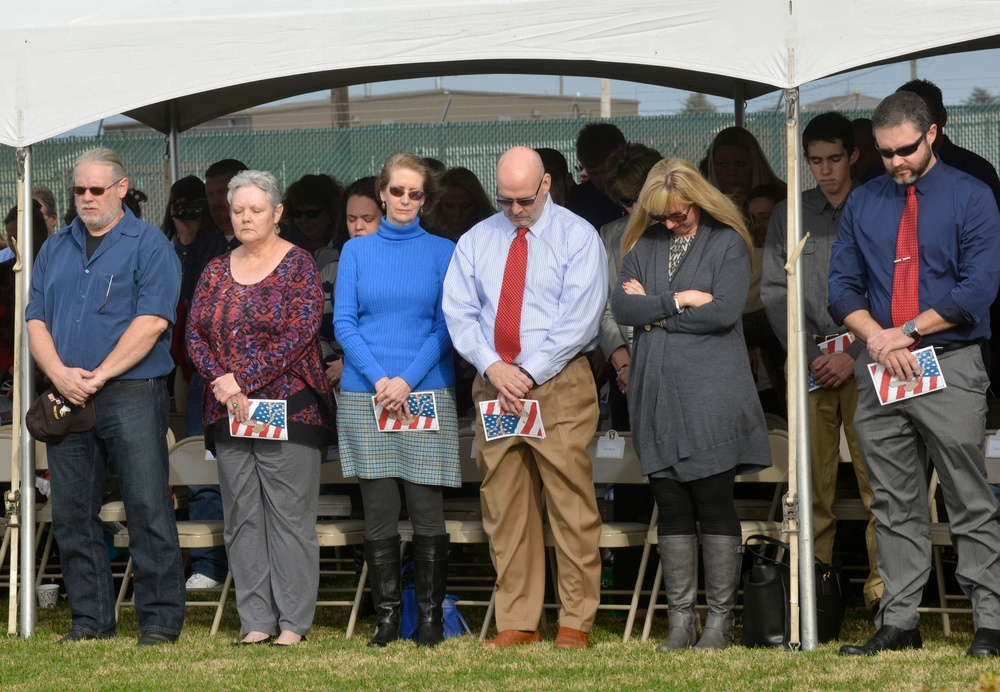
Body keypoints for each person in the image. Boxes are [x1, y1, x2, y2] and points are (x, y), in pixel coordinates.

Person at [829, 91, 1000, 658]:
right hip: (881, 367)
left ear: (931, 136)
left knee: (967, 498)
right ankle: (899, 621)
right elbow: (841, 290)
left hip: (948, 362)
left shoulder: (973, 196)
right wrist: (877, 337)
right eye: (883, 153)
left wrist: (907, 331)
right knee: (892, 501)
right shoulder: (863, 202)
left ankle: (990, 623)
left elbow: (977, 290)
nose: (895, 161)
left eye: (904, 150)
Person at [443, 146, 608, 650]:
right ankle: (518, 618)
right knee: (504, 503)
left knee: (570, 504)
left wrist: (527, 371)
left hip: (557, 382)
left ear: (547, 185)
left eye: (523, 200)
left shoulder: (578, 236)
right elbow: (459, 311)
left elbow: (580, 318)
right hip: (495, 385)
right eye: (505, 199)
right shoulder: (476, 240)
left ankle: (575, 622)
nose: (514, 209)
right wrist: (494, 367)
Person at [610, 157, 770, 651]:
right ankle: (681, 621)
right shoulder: (641, 245)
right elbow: (623, 308)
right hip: (655, 393)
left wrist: (655, 312)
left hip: (712, 394)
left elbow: (724, 311)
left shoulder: (725, 242)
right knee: (671, 505)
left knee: (714, 503)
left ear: (698, 200)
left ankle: (719, 623)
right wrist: (680, 300)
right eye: (660, 217)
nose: (670, 224)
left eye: (678, 214)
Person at [26, 147, 185, 646]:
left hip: (131, 392)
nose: (88, 198)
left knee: (147, 507)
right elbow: (35, 318)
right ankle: (90, 620)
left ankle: (158, 621)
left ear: (122, 187)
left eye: (98, 189)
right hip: (67, 390)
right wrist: (58, 374)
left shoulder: (150, 243)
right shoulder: (54, 247)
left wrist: (94, 377)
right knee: (72, 511)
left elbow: (153, 322)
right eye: (79, 190)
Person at [186, 169, 334, 647]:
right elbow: (194, 334)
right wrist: (224, 385)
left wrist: (241, 379)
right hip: (228, 411)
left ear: (277, 213)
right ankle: (256, 621)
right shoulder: (213, 268)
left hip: (290, 407)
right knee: (243, 517)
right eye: (238, 210)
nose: (246, 217)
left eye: (255, 209)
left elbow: (300, 333)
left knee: (289, 519)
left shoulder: (299, 264)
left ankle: (292, 624)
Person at [760, 111, 884, 624]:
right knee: (810, 486)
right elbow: (772, 290)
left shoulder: (880, 203)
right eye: (815, 161)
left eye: (835, 159)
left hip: (871, 358)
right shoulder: (789, 213)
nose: (825, 170)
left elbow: (888, 289)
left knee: (882, 483)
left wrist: (853, 353)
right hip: (810, 357)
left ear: (853, 155)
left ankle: (885, 595)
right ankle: (816, 592)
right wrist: (808, 351)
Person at [334, 153, 460, 648]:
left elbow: (447, 325)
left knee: (427, 507)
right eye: (398, 191)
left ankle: (428, 619)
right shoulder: (355, 253)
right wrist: (381, 379)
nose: (406, 200)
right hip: (367, 393)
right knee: (379, 508)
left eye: (416, 193)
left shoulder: (444, 251)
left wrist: (405, 380)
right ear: (381, 192)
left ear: (424, 200)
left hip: (423, 390)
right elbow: (344, 323)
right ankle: (387, 619)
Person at [160, 175, 229, 590]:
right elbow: (183, 299)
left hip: (259, 377)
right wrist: (185, 238)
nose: (219, 203)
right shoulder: (185, 246)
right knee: (203, 465)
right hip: (204, 373)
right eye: (213, 196)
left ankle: (252, 563)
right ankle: (208, 565)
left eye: (224, 195)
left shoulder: (278, 244)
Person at [321, 177, 381, 392]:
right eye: (351, 218)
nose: (358, 227)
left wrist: (347, 364)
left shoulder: (400, 268)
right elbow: (317, 329)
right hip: (338, 380)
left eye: (368, 218)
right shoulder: (331, 269)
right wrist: (333, 366)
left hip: (390, 377)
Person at [705, 126, 784, 209]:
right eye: (724, 164)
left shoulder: (782, 201)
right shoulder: (704, 204)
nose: (732, 172)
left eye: (741, 164)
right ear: (713, 167)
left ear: (755, 164)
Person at [566, 122, 626, 230]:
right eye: (594, 173)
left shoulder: (643, 193)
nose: (603, 180)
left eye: (607, 171)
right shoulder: (579, 204)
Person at [424, 166, 495, 241]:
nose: (457, 214)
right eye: (450, 206)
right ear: (438, 205)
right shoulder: (427, 236)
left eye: (465, 206)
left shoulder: (491, 235)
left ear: (477, 204)